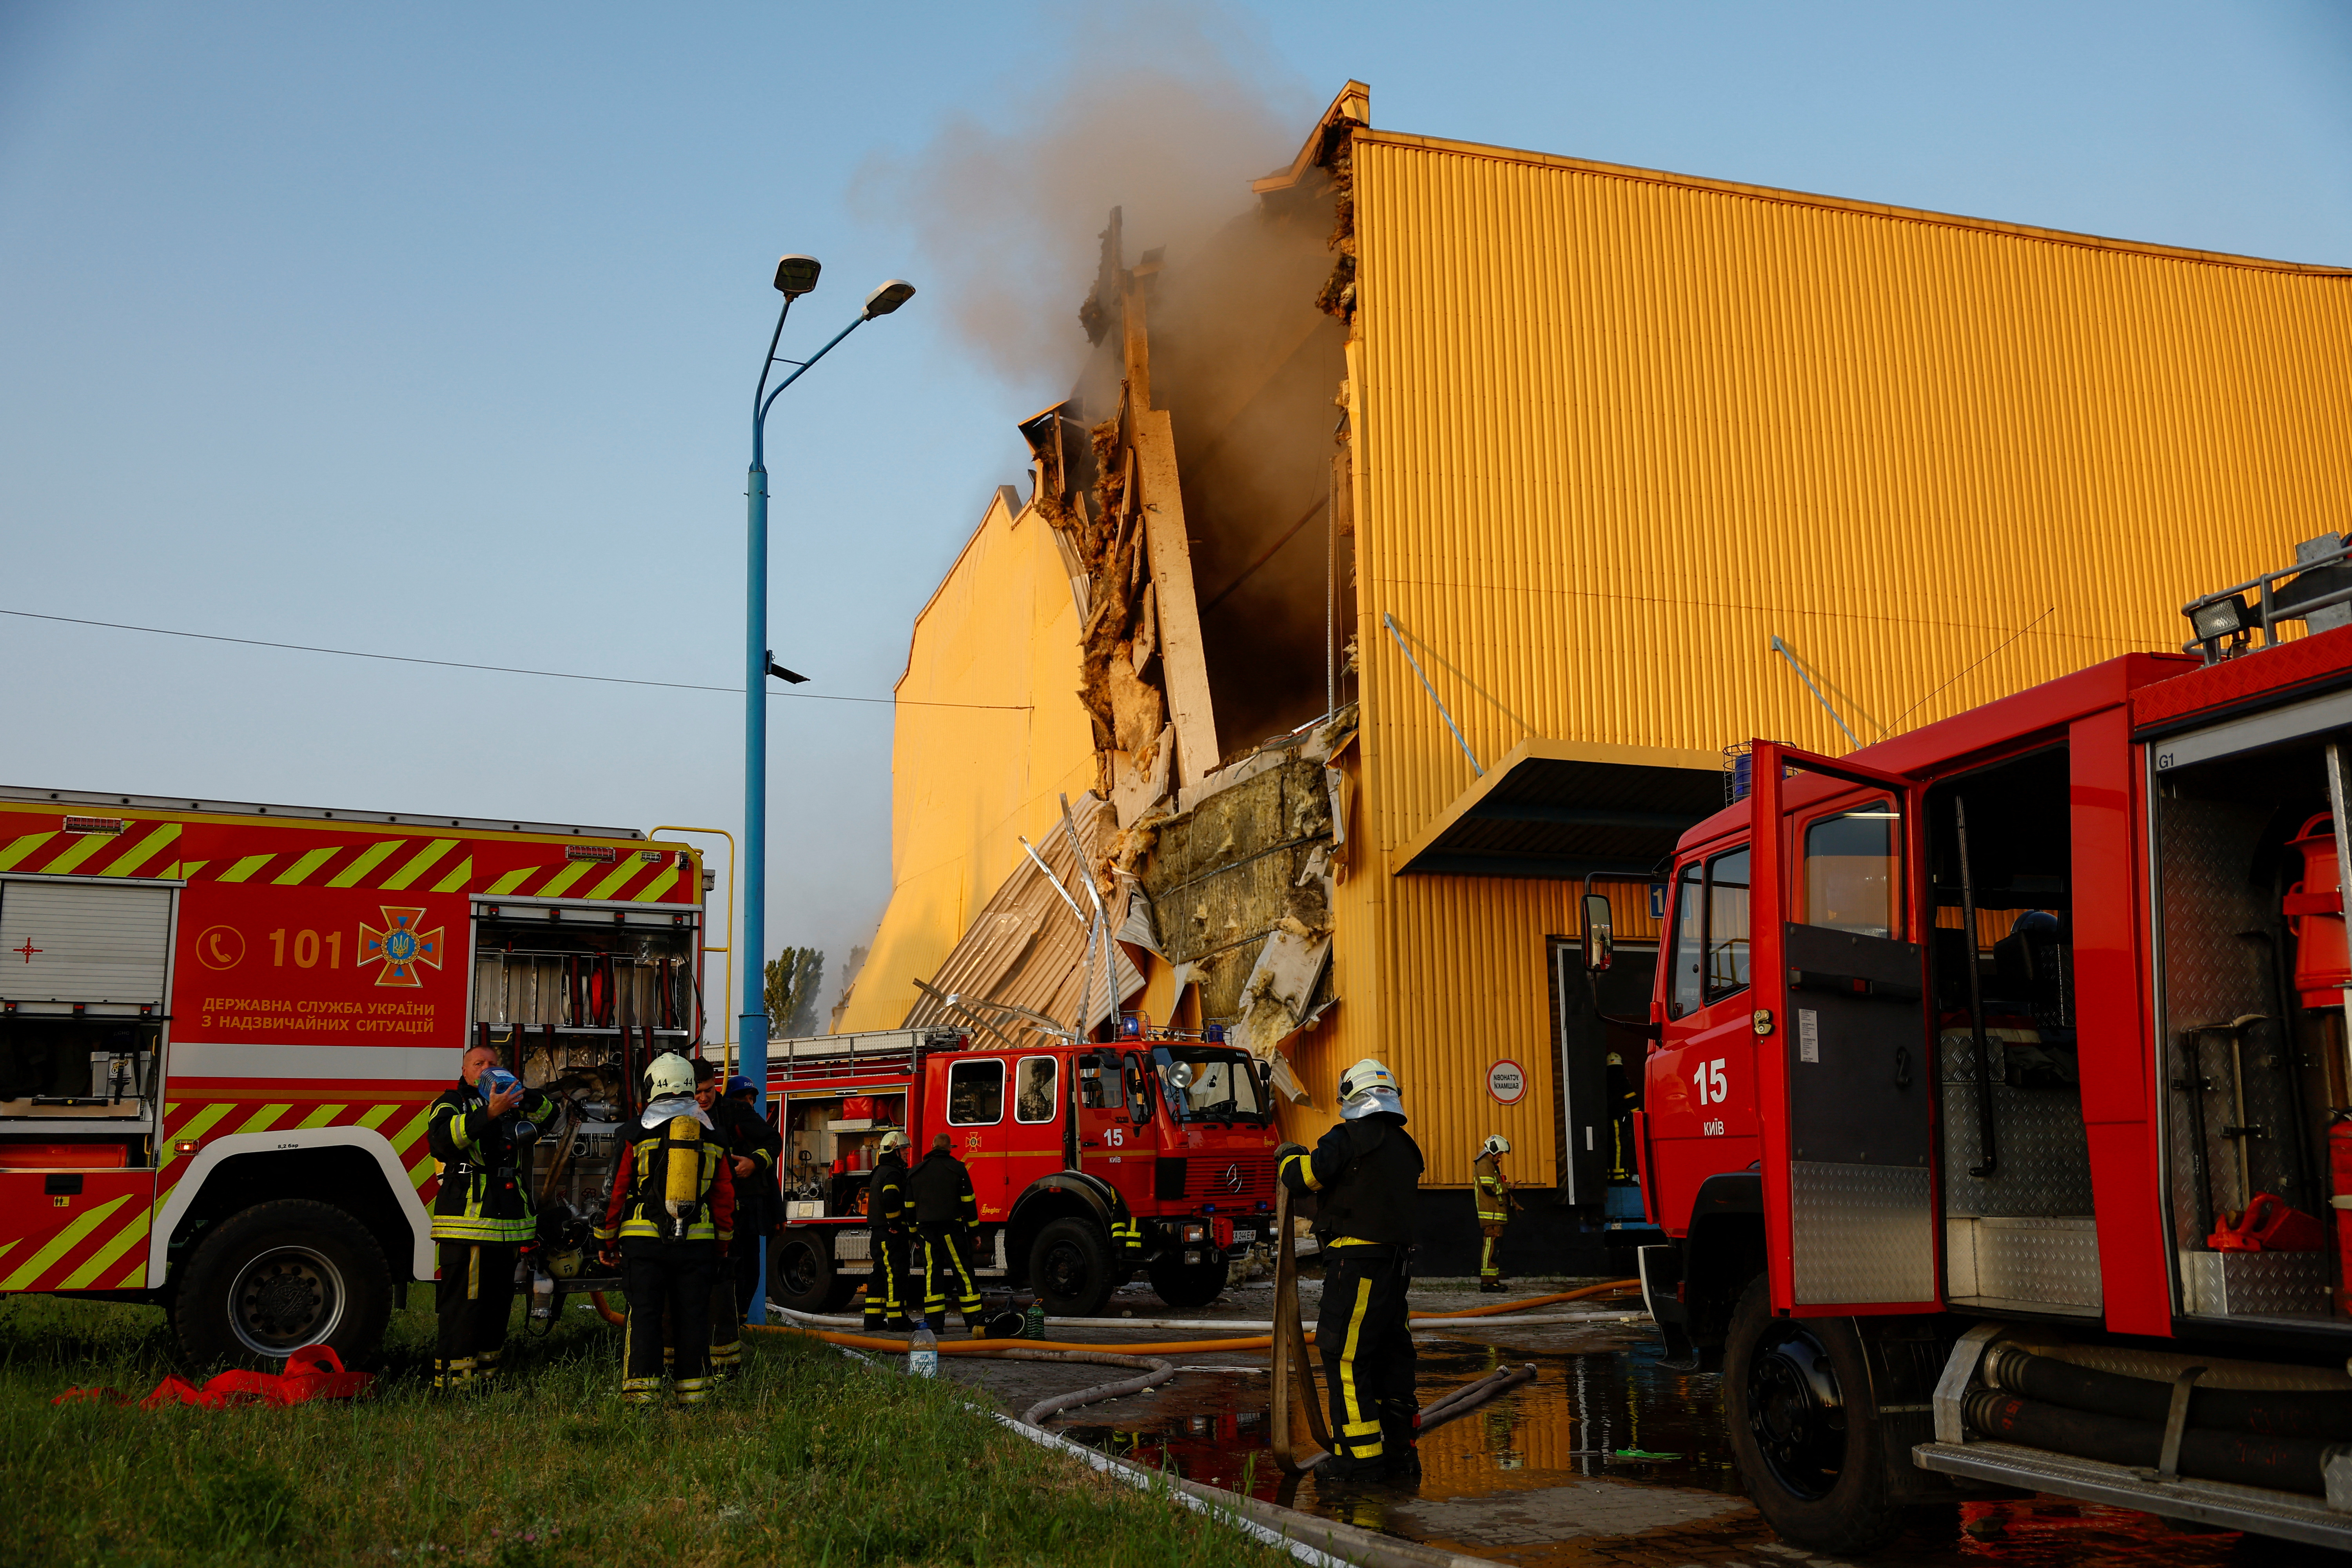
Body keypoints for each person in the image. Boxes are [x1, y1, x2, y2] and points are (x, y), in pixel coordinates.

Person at [1276, 1056, 1425, 1483]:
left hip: (1356, 1266)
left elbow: (1305, 1177)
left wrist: (1289, 1156)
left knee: (1345, 1356)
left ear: (1352, 1097)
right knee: (1391, 1356)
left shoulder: (1348, 1137)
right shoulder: (1406, 1147)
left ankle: (1359, 1461)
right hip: (1396, 1269)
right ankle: (1399, 1453)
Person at [597, 1052, 735, 1408]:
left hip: (644, 1244)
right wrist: (720, 1248)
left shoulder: (632, 1133)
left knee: (644, 1315)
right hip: (698, 1244)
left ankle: (642, 1398)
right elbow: (724, 1200)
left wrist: (607, 1239)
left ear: (653, 1086)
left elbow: (615, 1192)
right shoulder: (714, 1135)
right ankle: (693, 1397)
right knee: (693, 1316)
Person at [426, 1040, 557, 1391]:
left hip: (506, 1224)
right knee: (463, 1304)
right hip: (468, 1222)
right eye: (479, 1064)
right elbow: (441, 1141)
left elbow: (549, 1114)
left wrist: (519, 1092)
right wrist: (490, 1113)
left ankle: (488, 1376)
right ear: (465, 1072)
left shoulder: (512, 1102)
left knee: (498, 1302)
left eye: (493, 1063)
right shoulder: (450, 1103)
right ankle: (455, 1382)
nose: (486, 1068)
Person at [712, 1071, 783, 1318]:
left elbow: (770, 1178)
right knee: (734, 1270)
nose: (749, 1104)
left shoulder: (757, 1137)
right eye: (742, 1098)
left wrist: (778, 1215)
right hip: (728, 1212)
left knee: (751, 1271)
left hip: (752, 1213)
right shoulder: (721, 1124)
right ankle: (728, 1323)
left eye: (752, 1099)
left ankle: (739, 1322)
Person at [908, 1131, 983, 1332]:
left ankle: (934, 1324)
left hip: (926, 1231)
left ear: (932, 1146)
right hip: (952, 1229)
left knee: (932, 1274)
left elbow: (909, 1206)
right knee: (963, 1271)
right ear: (950, 1148)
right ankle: (974, 1320)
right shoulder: (958, 1169)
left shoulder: (915, 1172)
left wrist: (914, 1234)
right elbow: (969, 1202)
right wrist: (974, 1231)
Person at [862, 1128, 914, 1330]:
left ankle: (873, 1320)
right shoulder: (893, 1173)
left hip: (879, 1233)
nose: (907, 1153)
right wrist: (895, 1225)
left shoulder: (881, 1171)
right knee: (896, 1275)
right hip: (890, 1233)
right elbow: (891, 1199)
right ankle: (897, 1320)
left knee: (879, 1274)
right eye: (903, 1150)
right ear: (894, 1151)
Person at [1472, 1134, 1520, 1292]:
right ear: (1494, 1150)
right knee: (1491, 1249)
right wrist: (1508, 1187)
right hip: (1492, 1214)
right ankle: (1488, 1282)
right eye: (1500, 1154)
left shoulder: (1488, 1164)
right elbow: (1489, 1188)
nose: (1500, 1157)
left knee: (1494, 1249)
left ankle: (1491, 1281)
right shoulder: (1485, 1163)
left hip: (1495, 1213)